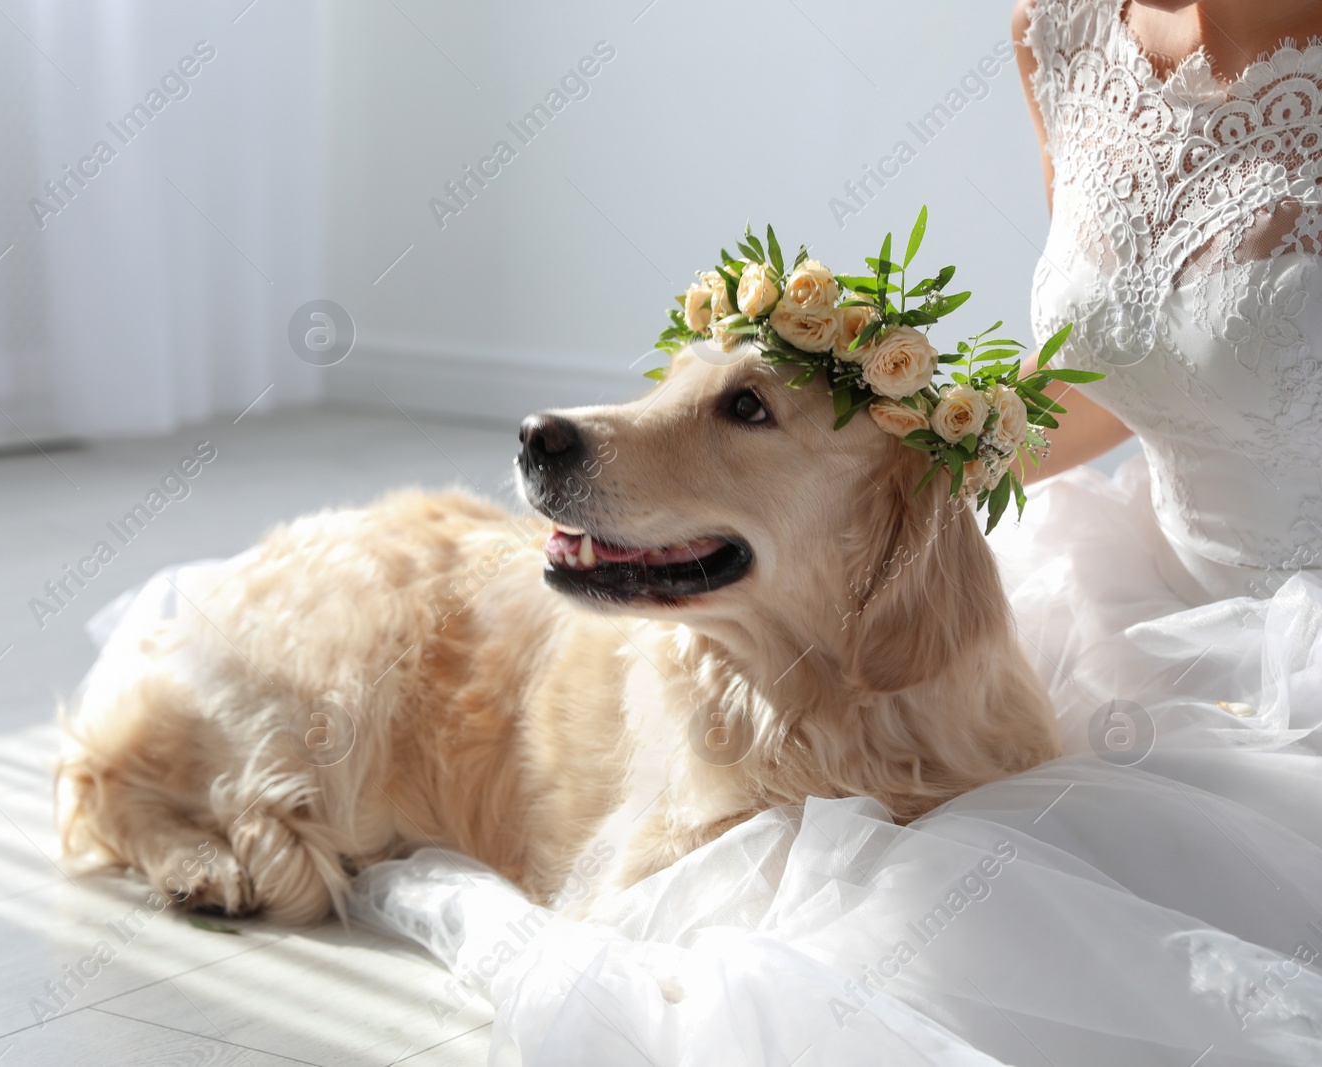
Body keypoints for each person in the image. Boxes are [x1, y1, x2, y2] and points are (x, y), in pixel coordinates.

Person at [347, 1, 1322, 1061]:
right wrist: (901, 462)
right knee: (917, 863)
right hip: (1138, 593)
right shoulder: (1064, 27)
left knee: (1092, 919)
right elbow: (1127, 359)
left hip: (1294, 642)